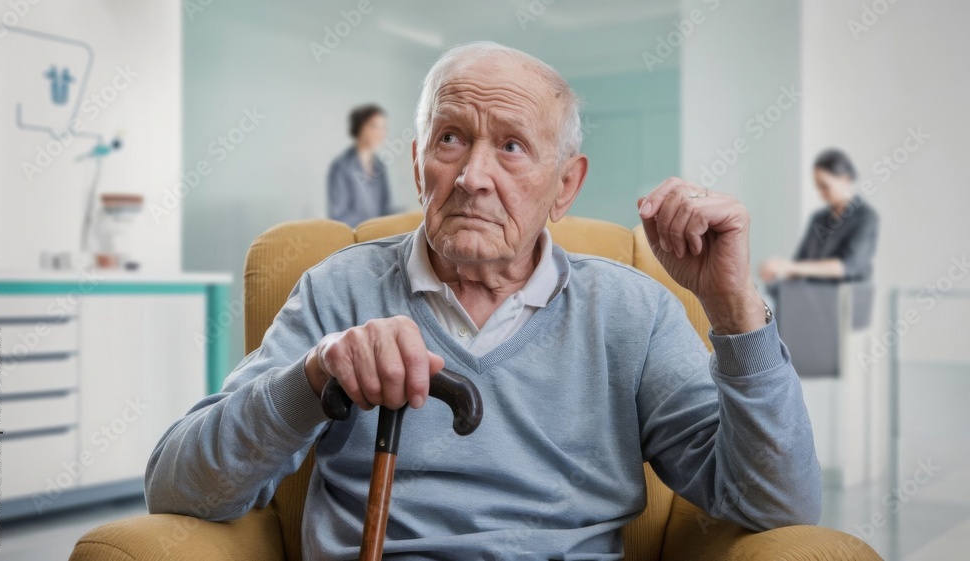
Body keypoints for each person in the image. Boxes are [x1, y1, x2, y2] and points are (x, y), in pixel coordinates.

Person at [146, 42, 821, 559]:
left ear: (565, 185)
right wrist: (314, 375)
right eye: (450, 139)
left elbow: (777, 502)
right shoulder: (337, 290)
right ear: (417, 164)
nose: (473, 177)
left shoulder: (632, 312)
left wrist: (734, 307)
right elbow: (179, 486)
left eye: (511, 146)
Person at [760, 149, 879, 284]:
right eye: (818, 187)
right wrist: (779, 268)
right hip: (812, 298)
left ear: (845, 179)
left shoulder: (865, 218)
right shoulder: (818, 218)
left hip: (846, 299)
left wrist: (792, 267)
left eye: (825, 186)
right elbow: (800, 263)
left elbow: (849, 266)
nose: (821, 194)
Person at [327, 104, 392, 227]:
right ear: (359, 128)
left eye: (384, 128)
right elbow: (339, 215)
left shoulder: (380, 165)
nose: (381, 133)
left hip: (379, 237)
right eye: (374, 126)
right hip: (353, 239)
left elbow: (385, 209)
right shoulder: (341, 166)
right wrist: (372, 226)